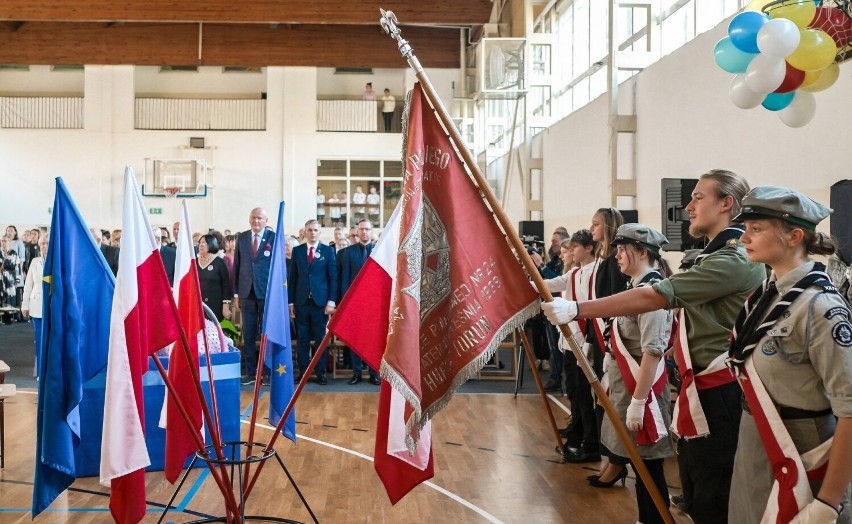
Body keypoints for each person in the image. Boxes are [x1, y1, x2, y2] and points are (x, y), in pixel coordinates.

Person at [542, 169, 766, 523]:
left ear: (727, 204)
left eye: (698, 197)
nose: (688, 206)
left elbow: (656, 297)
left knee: (713, 495)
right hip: (701, 388)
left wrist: (577, 309)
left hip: (719, 390)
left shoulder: (733, 259)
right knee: (697, 491)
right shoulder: (716, 254)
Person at [726, 186, 852, 524]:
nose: (743, 238)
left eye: (756, 229)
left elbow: (850, 409)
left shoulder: (820, 307)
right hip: (757, 436)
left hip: (802, 446)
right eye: (745, 229)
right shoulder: (766, 297)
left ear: (794, 235)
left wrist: (828, 501)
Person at [594, 224, 675, 524]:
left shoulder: (652, 294)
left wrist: (639, 401)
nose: (616, 256)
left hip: (643, 391)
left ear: (641, 252)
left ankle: (655, 520)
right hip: (625, 386)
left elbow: (653, 351)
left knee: (648, 466)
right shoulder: (634, 288)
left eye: (622, 250)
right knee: (639, 463)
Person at [540, 231, 597, 447]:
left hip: (585, 341)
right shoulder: (575, 273)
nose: (571, 252)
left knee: (585, 393)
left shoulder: (596, 270)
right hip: (570, 341)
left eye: (575, 247)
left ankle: (589, 441)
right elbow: (550, 284)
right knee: (573, 389)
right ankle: (577, 433)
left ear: (589, 248)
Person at [288, 219, 337, 385]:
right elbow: (292, 278)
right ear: (305, 232)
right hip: (301, 302)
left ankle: (320, 372)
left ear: (320, 232)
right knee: (302, 338)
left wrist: (331, 301)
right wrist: (290, 303)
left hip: (321, 304)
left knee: (319, 339)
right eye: (309, 230)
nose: (313, 233)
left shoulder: (328, 251)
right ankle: (303, 372)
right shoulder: (298, 251)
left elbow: (333, 278)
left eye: (315, 230)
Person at [233, 207, 275, 385]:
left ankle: (267, 372)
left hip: (266, 294)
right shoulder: (242, 237)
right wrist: (236, 293)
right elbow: (237, 265)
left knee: (266, 334)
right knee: (248, 335)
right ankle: (250, 373)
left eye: (259, 218)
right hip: (246, 293)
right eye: (253, 218)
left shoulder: (274, 238)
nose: (256, 221)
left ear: (266, 220)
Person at [339, 219, 381, 386]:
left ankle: (374, 373)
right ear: (357, 232)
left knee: (374, 339)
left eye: (367, 229)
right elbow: (345, 280)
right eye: (361, 230)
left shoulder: (381, 250)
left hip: (375, 303)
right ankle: (356, 373)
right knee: (355, 338)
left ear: (372, 231)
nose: (364, 232)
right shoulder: (349, 252)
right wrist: (345, 301)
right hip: (354, 302)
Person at [22, 235, 48, 377]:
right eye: (43, 243)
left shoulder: (57, 261)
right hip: (36, 305)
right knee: (39, 339)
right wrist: (24, 305)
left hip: (52, 306)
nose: (45, 246)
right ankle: (40, 371)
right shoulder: (35, 261)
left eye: (48, 243)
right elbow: (28, 285)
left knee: (52, 339)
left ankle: (51, 370)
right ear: (39, 245)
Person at [197, 234, 232, 322]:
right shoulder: (194, 262)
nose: (201, 245)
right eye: (200, 243)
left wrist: (226, 306)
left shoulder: (220, 262)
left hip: (215, 305)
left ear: (212, 244)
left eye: (204, 243)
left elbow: (226, 285)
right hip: (197, 304)